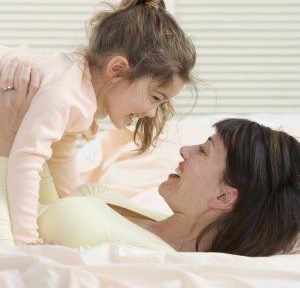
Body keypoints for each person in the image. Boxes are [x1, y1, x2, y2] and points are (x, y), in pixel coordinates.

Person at [1, 74, 300, 256]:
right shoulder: (159, 222)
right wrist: (32, 129)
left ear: (224, 196)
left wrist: (6, 140)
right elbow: (43, 208)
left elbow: (11, 255)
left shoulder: (151, 260)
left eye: (203, 151)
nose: (185, 150)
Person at [0, 0, 197, 245]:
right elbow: (25, 162)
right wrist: (27, 239)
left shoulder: (79, 96)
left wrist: (74, 202)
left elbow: (60, 154)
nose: (151, 113)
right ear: (117, 70)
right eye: (155, 98)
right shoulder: (63, 95)